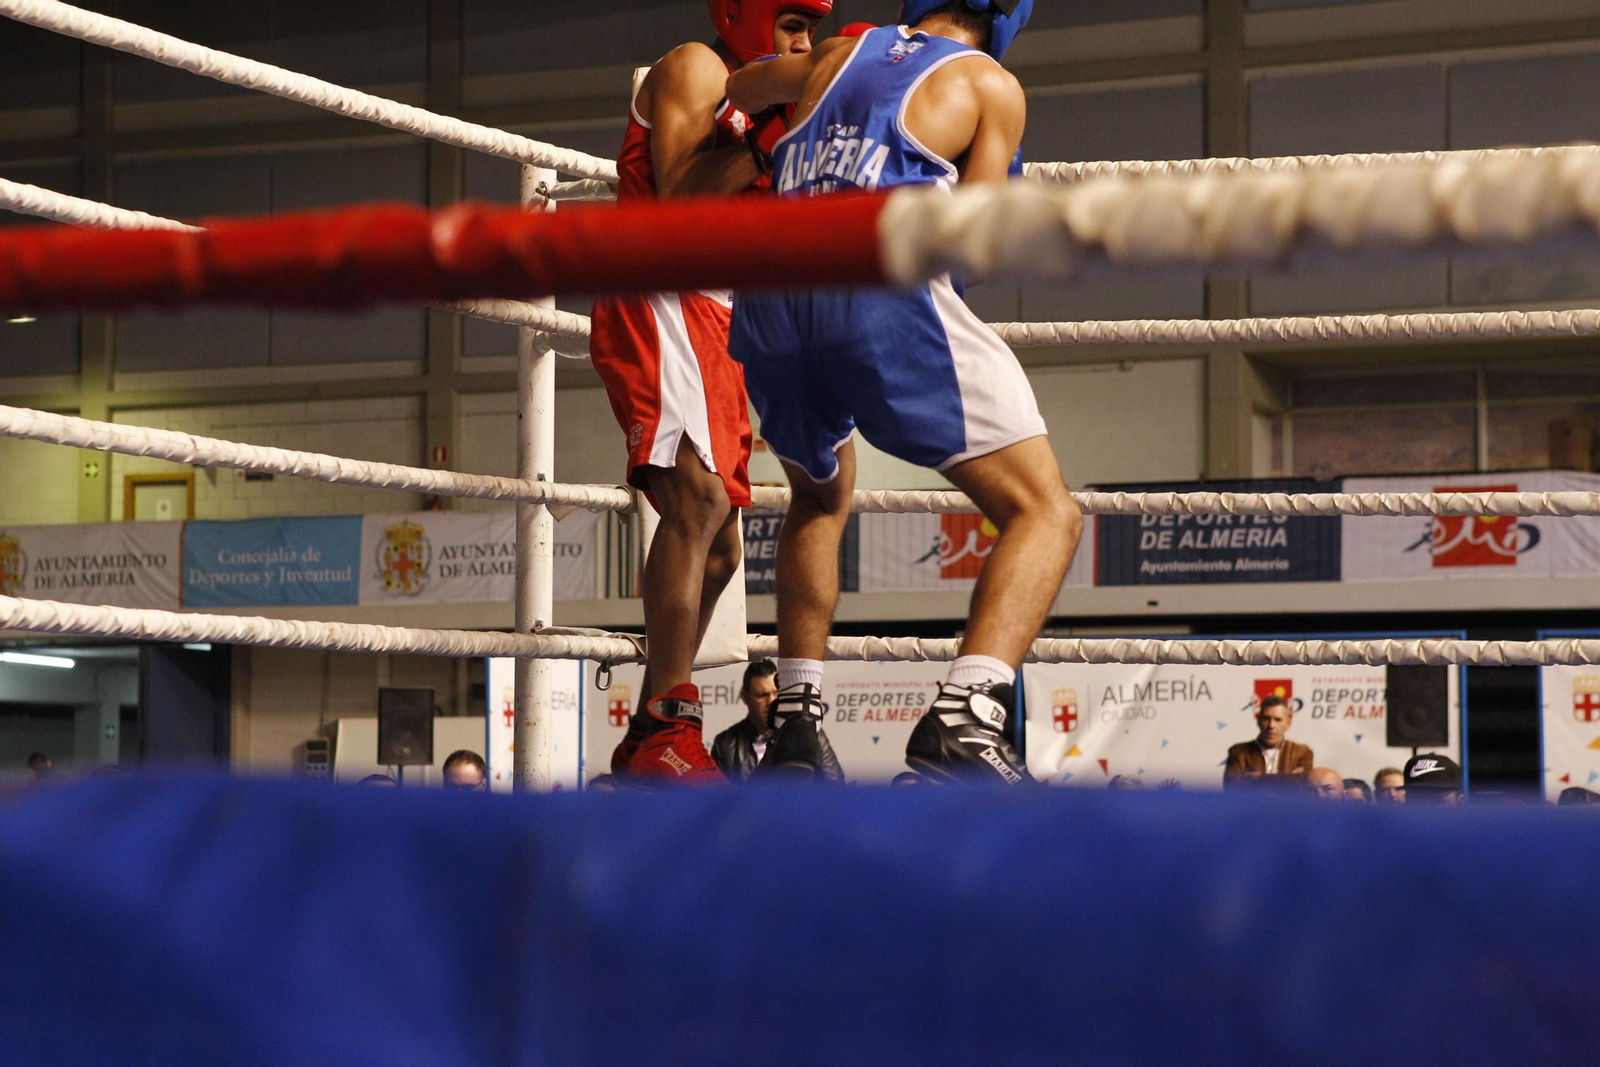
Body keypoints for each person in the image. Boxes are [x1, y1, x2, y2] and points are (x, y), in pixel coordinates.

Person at [726, 0, 1068, 784]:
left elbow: (743, 88)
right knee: (1044, 509)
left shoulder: (838, 52)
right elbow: (973, 252)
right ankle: (966, 716)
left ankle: (797, 722)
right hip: (876, 282)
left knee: (818, 497)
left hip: (771, 292)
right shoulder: (990, 84)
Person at [598, 0, 834, 785]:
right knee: (695, 504)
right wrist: (771, 137)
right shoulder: (696, 68)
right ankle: (672, 718)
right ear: (746, 13)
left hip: (721, 318)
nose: (804, 42)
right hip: (658, 290)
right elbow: (677, 201)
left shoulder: (770, 103)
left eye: (811, 28)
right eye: (793, 23)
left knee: (725, 551)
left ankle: (645, 732)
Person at [711, 660, 845, 782]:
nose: (771, 701)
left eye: (776, 693)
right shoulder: (724, 744)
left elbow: (835, 788)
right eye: (762, 695)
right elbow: (721, 801)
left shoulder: (810, 732)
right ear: (745, 697)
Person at [1223, 695, 1313, 788]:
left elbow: (1302, 787)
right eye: (1266, 718)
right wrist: (1287, 778)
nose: (1271, 725)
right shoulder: (1238, 752)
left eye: (1277, 720)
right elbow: (1232, 788)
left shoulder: (1302, 752)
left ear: (1288, 723)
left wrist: (1259, 777)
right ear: (1258, 721)